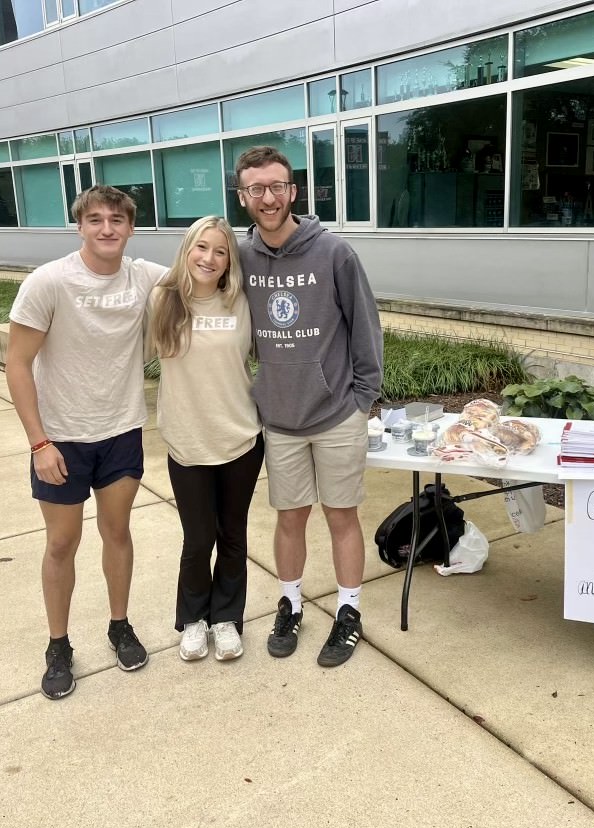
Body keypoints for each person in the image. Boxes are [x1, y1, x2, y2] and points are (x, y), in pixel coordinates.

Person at [5, 185, 168, 700]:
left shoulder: (143, 277)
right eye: (94, 219)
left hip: (120, 431)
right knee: (61, 544)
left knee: (117, 533)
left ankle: (119, 625)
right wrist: (38, 443)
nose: (106, 229)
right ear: (79, 226)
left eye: (116, 220)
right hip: (62, 440)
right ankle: (58, 645)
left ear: (130, 228)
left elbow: (203, 276)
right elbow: (16, 363)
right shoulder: (49, 282)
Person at [235, 146, 384, 668]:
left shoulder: (335, 253)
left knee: (342, 516)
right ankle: (291, 604)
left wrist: (362, 400)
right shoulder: (241, 258)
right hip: (279, 418)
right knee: (289, 518)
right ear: (243, 197)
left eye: (277, 186)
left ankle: (348, 613)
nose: (268, 197)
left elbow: (366, 329)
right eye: (257, 189)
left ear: (293, 191)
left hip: (337, 413)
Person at [148, 217, 263, 663]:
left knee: (233, 535)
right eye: (202, 247)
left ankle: (226, 620)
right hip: (187, 440)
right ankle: (193, 620)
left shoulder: (240, 302)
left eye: (220, 251)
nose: (209, 258)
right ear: (187, 249)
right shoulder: (162, 299)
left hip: (239, 437)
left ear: (229, 260)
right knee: (197, 539)